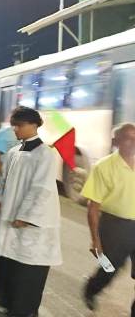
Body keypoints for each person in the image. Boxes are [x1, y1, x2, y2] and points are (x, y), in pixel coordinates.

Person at [0, 106, 62, 317]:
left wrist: (26, 216)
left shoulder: (45, 154)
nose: (15, 129)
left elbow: (42, 189)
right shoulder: (14, 152)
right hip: (10, 220)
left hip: (30, 226)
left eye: (19, 125)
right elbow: (4, 182)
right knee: (10, 268)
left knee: (28, 271)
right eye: (14, 125)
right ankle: (11, 305)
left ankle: (26, 310)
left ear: (34, 125)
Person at [81, 123, 135, 314]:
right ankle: (92, 288)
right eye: (127, 138)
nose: (132, 143)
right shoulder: (103, 167)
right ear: (116, 141)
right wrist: (95, 239)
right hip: (113, 225)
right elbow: (93, 207)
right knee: (109, 266)